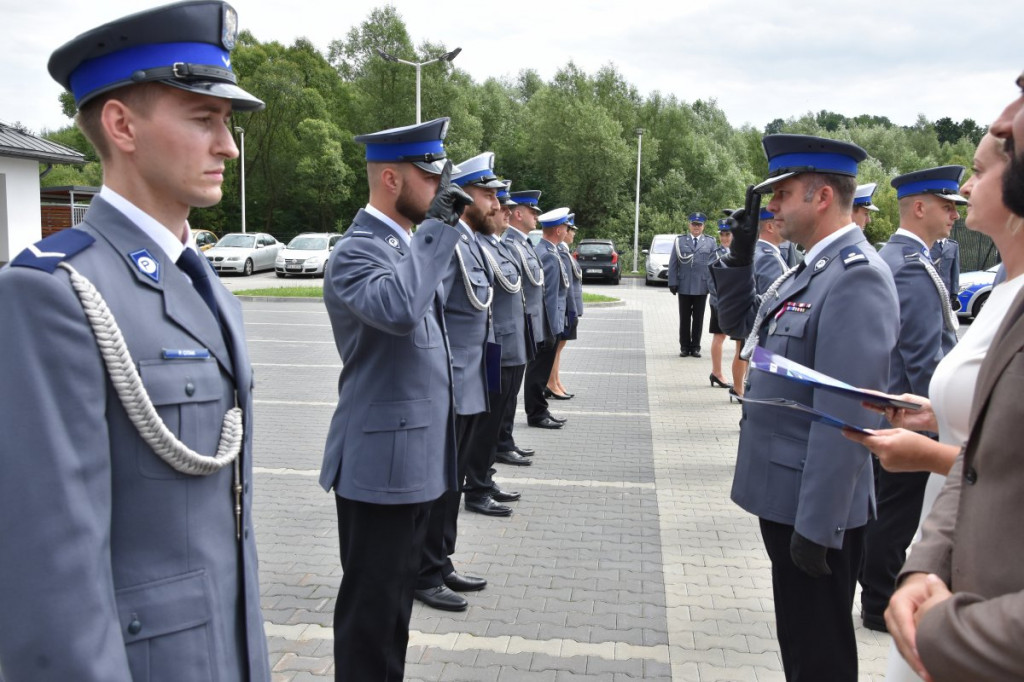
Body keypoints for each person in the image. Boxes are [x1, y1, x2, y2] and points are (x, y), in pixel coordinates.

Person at [0, 3, 270, 680]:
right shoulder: (53, 292)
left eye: (227, 124)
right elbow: (51, 572)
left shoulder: (204, 284)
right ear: (122, 125)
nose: (228, 147)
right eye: (203, 119)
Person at [711, 134, 899, 682]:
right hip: (787, 499)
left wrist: (816, 528)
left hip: (815, 512)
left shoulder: (855, 276)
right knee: (800, 645)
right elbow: (744, 330)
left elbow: (846, 415)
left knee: (820, 657)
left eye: (782, 194)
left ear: (820, 197)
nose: (771, 208)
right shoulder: (809, 270)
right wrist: (740, 257)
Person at [843, 130, 1024, 682]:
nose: (965, 192)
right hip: (948, 551)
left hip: (990, 598)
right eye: (950, 198)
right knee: (892, 521)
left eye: (978, 172)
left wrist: (932, 448)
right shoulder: (991, 288)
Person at [319, 118, 472, 678]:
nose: (440, 192)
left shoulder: (407, 247)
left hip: (412, 464)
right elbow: (401, 311)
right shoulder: (357, 253)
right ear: (390, 179)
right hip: (378, 470)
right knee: (370, 621)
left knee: (393, 620)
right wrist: (434, 230)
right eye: (430, 179)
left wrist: (429, 233)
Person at [859, 165, 965, 632]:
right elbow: (922, 356)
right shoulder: (912, 267)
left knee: (889, 508)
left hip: (897, 409)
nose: (954, 217)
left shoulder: (897, 257)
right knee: (896, 514)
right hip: (909, 412)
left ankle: (875, 591)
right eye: (947, 207)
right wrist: (934, 420)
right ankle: (880, 600)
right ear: (919, 207)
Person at [497, 189, 545, 461]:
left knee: (511, 395)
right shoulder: (510, 244)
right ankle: (502, 443)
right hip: (510, 328)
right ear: (518, 213)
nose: (536, 216)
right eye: (532, 211)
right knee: (505, 396)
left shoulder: (523, 244)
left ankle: (506, 440)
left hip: (521, 324)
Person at [524, 207, 572, 429]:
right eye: (564, 227)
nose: (566, 231)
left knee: (541, 371)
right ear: (558, 229)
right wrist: (553, 329)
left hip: (549, 323)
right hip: (546, 324)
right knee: (538, 371)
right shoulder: (548, 254)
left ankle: (541, 409)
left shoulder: (548, 250)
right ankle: (536, 413)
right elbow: (549, 297)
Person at [669, 212, 716, 357]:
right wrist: (673, 282)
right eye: (694, 224)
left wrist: (712, 285)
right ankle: (684, 347)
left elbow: (713, 266)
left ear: (703, 226)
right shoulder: (680, 241)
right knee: (684, 318)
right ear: (689, 225)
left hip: (702, 287)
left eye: (699, 225)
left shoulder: (710, 242)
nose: (696, 227)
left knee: (698, 319)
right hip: (683, 286)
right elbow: (673, 263)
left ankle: (695, 347)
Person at [547, 214, 582, 399]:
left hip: (569, 306)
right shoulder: (560, 251)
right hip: (566, 307)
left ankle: (555, 381)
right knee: (556, 349)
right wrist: (572, 310)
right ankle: (552, 382)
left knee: (559, 348)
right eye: (571, 230)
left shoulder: (564, 250)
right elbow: (565, 286)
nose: (573, 233)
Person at [706, 220, 738, 391]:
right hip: (721, 302)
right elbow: (711, 282)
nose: (725, 238)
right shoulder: (716, 254)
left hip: (734, 302)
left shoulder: (738, 253)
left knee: (737, 339)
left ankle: (738, 377)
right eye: (722, 234)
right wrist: (722, 301)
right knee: (719, 336)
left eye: (728, 234)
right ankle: (717, 373)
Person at [753, 207, 790, 295]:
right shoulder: (768, 258)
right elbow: (772, 301)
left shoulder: (755, 251)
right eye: (783, 222)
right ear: (770, 227)